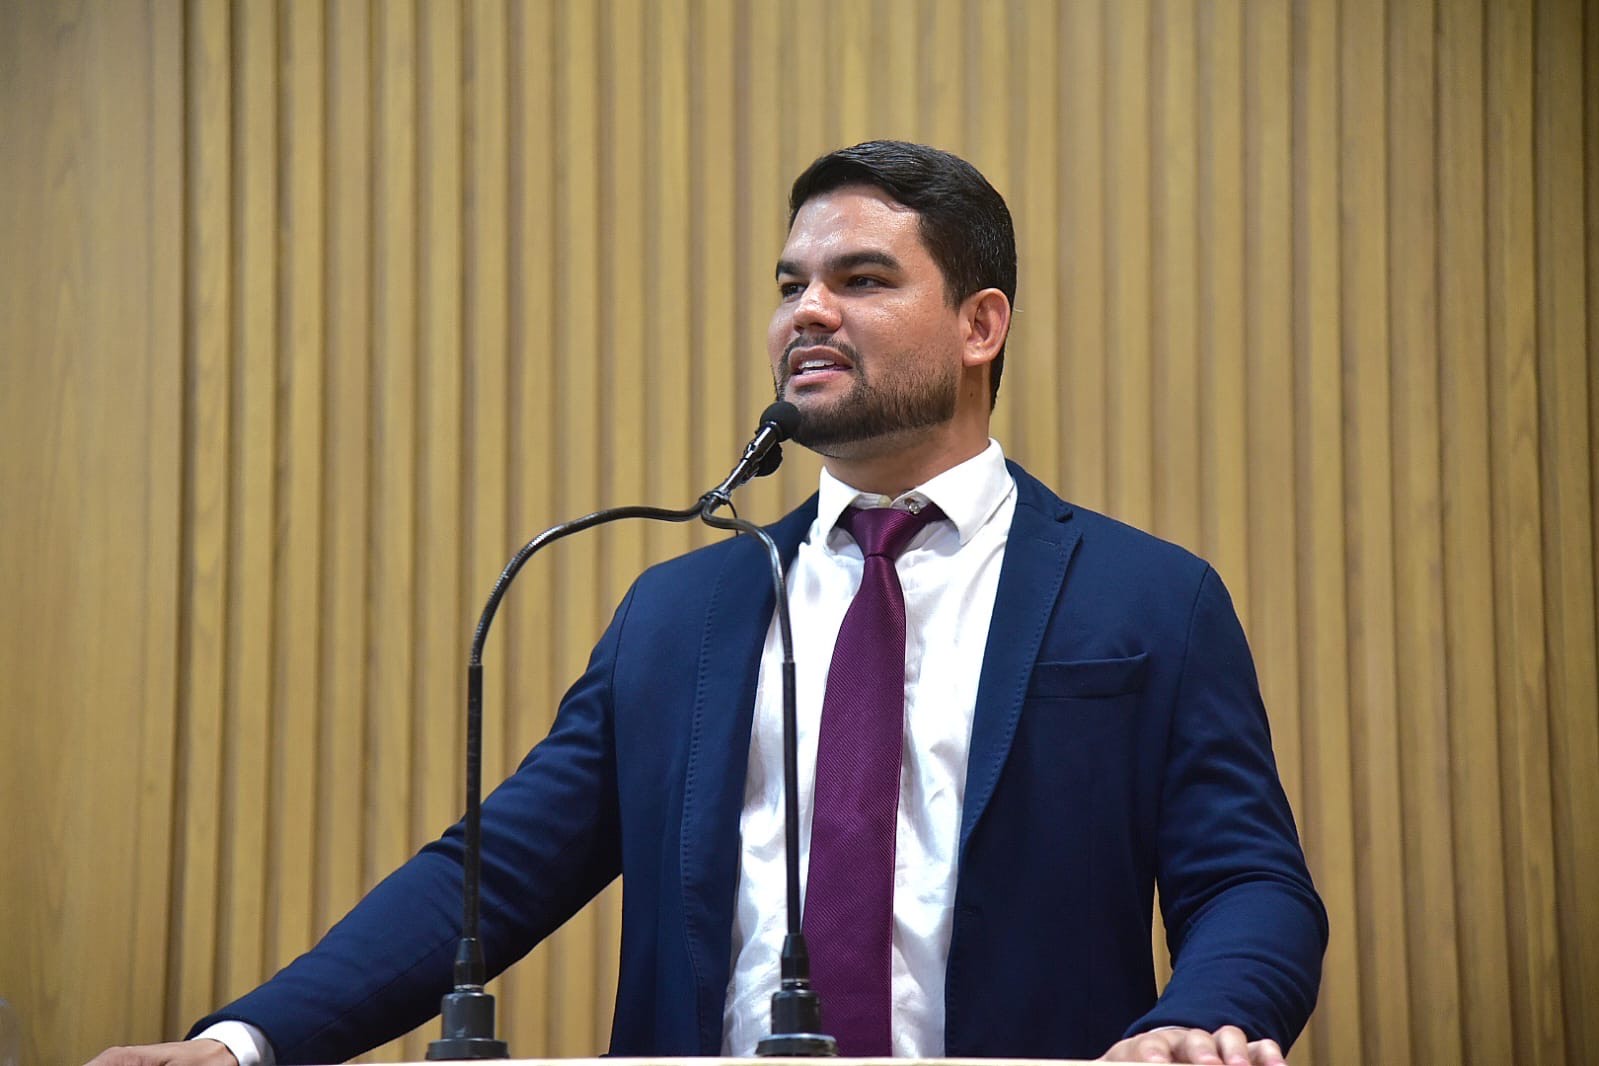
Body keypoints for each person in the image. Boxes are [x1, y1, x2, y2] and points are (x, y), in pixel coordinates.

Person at [89, 141, 1325, 1066]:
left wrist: (1198, 1021)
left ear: (979, 326)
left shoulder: (1148, 597)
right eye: (789, 283)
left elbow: (1249, 882)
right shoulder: (687, 610)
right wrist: (242, 1043)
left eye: (860, 278)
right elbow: (494, 873)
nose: (807, 312)